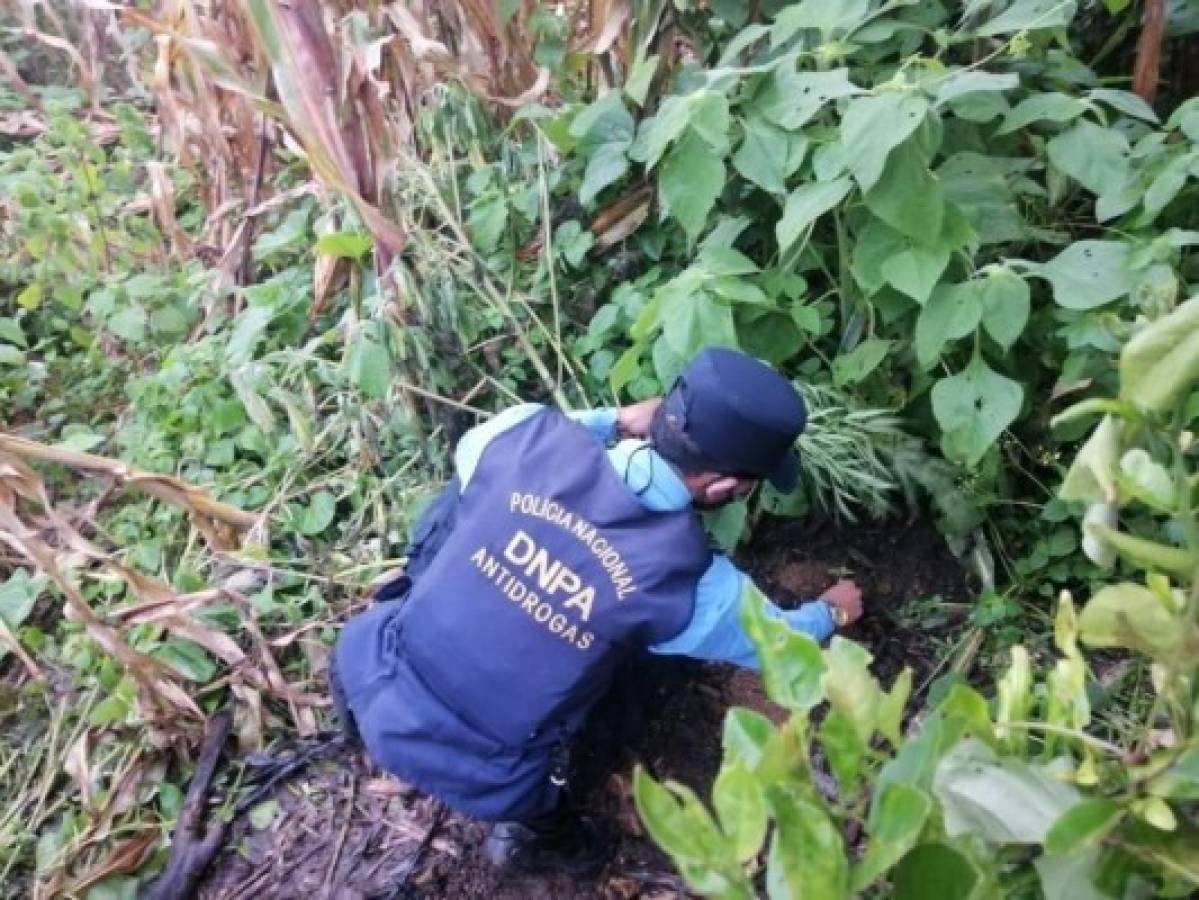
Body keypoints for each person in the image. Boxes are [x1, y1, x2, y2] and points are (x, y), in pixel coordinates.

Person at [330, 347, 864, 876]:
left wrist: (611, 421)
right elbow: (778, 645)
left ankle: (366, 715)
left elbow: (503, 444)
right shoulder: (690, 585)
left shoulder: (520, 436)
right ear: (724, 487)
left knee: (460, 506)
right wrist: (830, 613)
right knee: (660, 650)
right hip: (490, 774)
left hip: (368, 673)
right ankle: (534, 834)